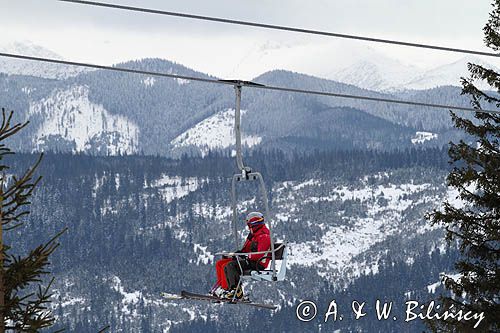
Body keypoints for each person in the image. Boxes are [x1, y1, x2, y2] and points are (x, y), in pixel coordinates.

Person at [211, 211, 271, 300]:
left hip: (258, 263)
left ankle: (236, 291)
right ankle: (223, 288)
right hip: (250, 261)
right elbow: (246, 250)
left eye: (249, 225)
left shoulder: (264, 236)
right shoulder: (254, 235)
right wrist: (238, 254)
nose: (248, 227)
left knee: (230, 266)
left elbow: (259, 254)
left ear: (254, 224)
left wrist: (245, 256)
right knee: (220, 263)